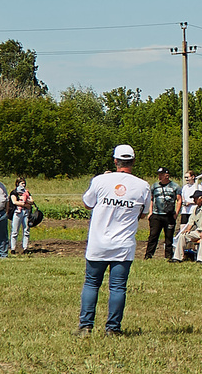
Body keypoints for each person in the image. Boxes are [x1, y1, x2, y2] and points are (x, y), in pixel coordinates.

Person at [77, 143, 151, 336]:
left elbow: (87, 203)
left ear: (115, 161)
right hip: (123, 245)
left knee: (92, 283)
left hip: (98, 243)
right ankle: (113, 328)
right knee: (118, 287)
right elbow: (143, 214)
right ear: (133, 162)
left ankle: (86, 326)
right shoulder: (143, 186)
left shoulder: (101, 180)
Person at [145, 168, 181, 261]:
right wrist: (150, 212)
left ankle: (168, 256)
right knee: (153, 236)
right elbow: (151, 199)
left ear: (167, 175)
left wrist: (176, 213)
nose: (159, 176)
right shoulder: (155, 186)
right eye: (159, 174)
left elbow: (179, 200)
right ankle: (148, 255)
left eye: (161, 174)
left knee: (169, 237)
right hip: (157, 214)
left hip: (169, 215)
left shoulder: (175, 186)